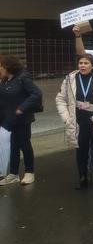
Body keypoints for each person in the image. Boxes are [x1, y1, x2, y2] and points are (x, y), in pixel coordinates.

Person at [55, 54, 93, 189]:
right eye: (80, 63)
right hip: (78, 120)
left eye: (86, 63)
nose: (83, 66)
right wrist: (67, 118)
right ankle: (82, 177)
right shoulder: (70, 79)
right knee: (81, 150)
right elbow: (60, 99)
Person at [0, 56, 42, 186]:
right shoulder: (5, 80)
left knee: (24, 144)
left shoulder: (23, 78)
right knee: (13, 146)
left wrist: (21, 108)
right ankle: (13, 174)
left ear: (8, 67)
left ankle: (29, 173)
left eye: (1, 66)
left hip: (22, 118)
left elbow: (36, 93)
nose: (0, 68)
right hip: (7, 119)